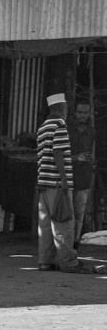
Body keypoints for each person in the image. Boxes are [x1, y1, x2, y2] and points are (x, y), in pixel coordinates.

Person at [36, 93, 86, 273]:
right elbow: (58, 153)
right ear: (61, 108)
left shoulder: (43, 127)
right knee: (64, 223)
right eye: (66, 108)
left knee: (45, 225)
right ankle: (68, 262)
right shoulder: (60, 125)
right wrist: (64, 180)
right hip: (57, 183)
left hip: (44, 182)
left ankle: (45, 261)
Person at [68, 97, 96, 249]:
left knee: (79, 214)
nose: (82, 116)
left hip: (84, 177)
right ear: (75, 113)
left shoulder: (91, 131)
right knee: (66, 214)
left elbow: (91, 151)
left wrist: (90, 160)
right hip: (67, 176)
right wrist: (76, 157)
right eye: (80, 112)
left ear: (89, 114)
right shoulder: (67, 130)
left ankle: (75, 243)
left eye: (85, 113)